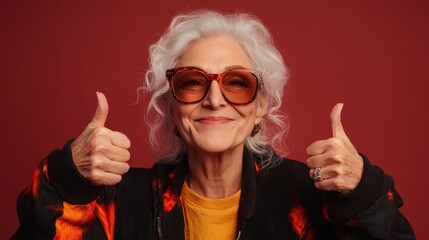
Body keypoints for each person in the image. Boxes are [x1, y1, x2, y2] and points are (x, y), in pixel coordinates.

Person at [12, 10, 414, 240]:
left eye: (237, 83)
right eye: (192, 82)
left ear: (261, 107)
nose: (215, 98)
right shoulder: (117, 203)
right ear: (170, 106)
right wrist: (67, 175)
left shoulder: (313, 202)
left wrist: (362, 190)